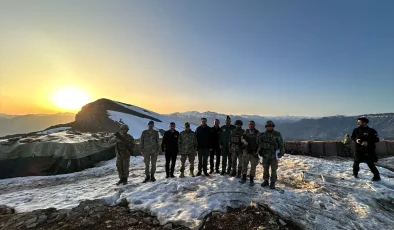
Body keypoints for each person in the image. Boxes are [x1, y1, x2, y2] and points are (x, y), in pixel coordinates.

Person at [257, 120, 284, 189]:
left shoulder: (277, 134)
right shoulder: (262, 135)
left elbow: (281, 144)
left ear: (273, 126)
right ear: (266, 127)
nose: (269, 128)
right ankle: (266, 181)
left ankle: (273, 182)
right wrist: (259, 152)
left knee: (273, 169)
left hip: (273, 155)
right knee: (265, 168)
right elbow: (260, 144)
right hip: (265, 155)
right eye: (268, 126)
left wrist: (281, 153)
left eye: (270, 126)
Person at [239, 121, 260, 186]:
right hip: (246, 151)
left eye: (252, 124)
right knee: (244, 164)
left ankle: (251, 179)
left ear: (254, 125)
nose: (251, 125)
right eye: (250, 124)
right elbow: (242, 138)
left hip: (254, 152)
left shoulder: (257, 133)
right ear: (248, 125)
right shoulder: (246, 131)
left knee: (253, 166)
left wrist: (258, 151)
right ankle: (244, 177)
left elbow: (260, 143)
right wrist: (244, 141)